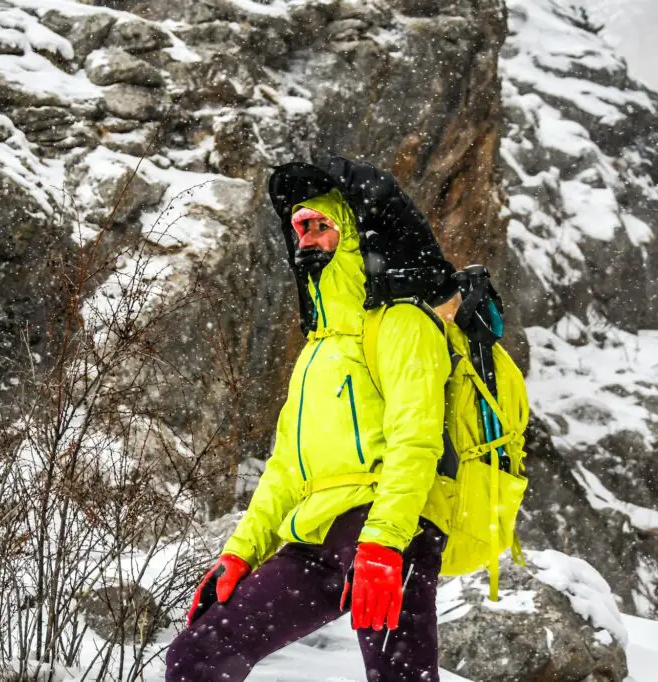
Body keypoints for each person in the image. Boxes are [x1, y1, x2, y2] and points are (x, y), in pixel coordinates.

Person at [166, 157, 461, 682]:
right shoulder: (316, 351)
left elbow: (416, 441)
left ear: (355, 233)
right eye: (300, 227)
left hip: (391, 523)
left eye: (321, 225)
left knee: (400, 677)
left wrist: (384, 542)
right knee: (197, 657)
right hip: (317, 533)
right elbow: (285, 467)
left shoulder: (404, 322)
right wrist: (240, 552)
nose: (307, 239)